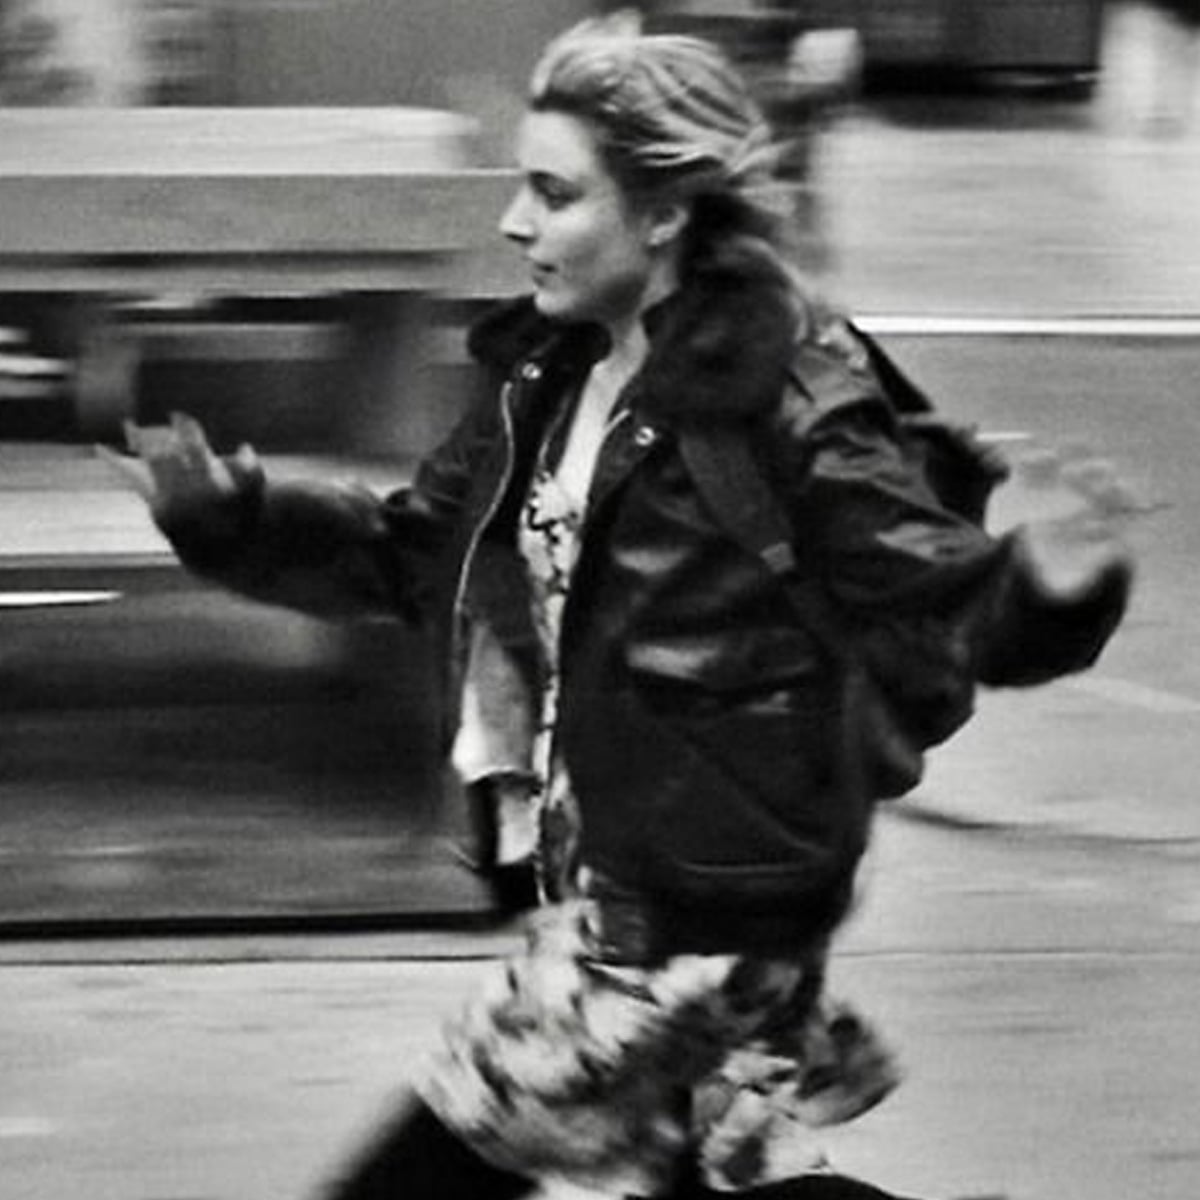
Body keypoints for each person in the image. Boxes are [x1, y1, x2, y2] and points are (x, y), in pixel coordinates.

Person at [103, 13, 1134, 1200]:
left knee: (432, 1164)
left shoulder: (793, 404)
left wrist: (1053, 576)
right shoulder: (544, 376)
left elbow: (944, 609)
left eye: (555, 192)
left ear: (664, 213)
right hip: (605, 870)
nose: (514, 224)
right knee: (720, 1172)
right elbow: (410, 558)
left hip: (697, 912)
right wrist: (228, 516)